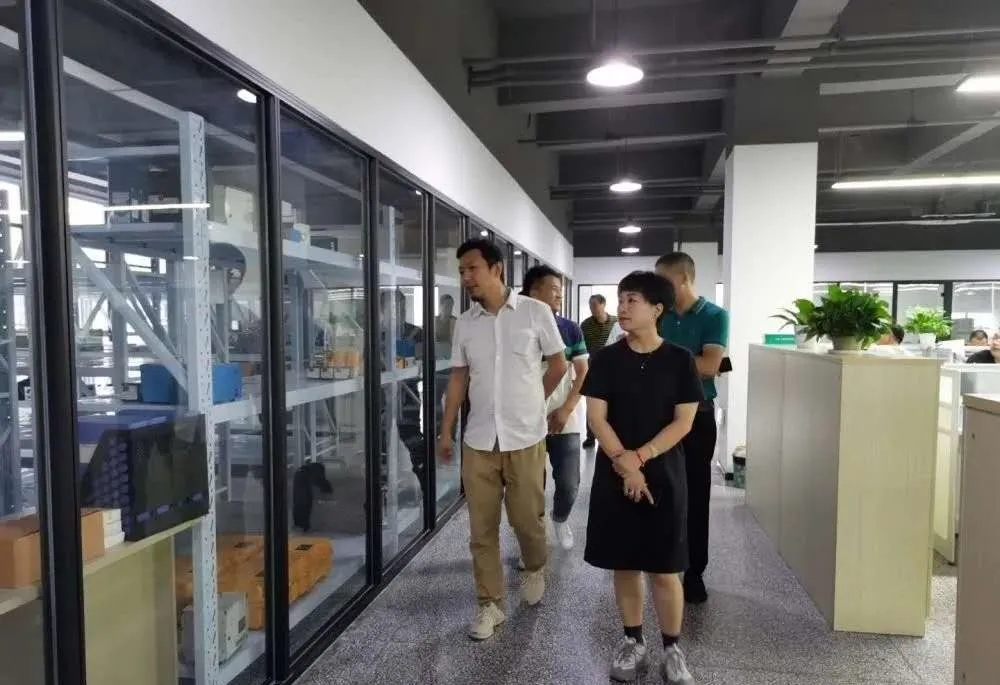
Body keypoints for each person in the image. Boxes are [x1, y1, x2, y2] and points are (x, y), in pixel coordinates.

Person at [438, 238, 568, 641]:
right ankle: (490, 604)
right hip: (479, 440)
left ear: (497, 269)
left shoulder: (534, 312)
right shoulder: (465, 323)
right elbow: (458, 378)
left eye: (472, 269)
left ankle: (534, 567)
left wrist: (534, 403)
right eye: (462, 271)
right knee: (481, 529)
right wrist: (446, 430)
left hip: (525, 437)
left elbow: (559, 365)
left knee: (527, 520)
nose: (466, 277)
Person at [583, 270, 701, 685]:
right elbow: (596, 418)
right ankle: (633, 641)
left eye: (632, 300)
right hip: (614, 471)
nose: (622, 307)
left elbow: (683, 421)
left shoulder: (680, 360)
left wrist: (641, 457)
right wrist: (624, 462)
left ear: (657, 309)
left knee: (665, 567)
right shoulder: (606, 359)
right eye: (620, 299)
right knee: (625, 562)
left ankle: (672, 648)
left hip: (664, 471)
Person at [654, 252, 728, 605]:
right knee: (659, 492)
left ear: (683, 279)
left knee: (695, 496)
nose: (658, 287)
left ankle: (694, 571)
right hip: (658, 417)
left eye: (664, 280)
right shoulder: (659, 314)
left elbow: (710, 365)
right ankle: (661, 562)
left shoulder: (714, 315)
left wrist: (661, 359)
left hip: (698, 417)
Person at [523, 265, 589, 550]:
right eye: (554, 289)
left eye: (561, 291)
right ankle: (534, 540)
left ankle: (560, 519)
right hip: (526, 420)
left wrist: (566, 409)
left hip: (564, 417)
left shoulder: (570, 329)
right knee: (529, 487)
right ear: (533, 291)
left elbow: (583, 372)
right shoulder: (517, 327)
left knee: (569, 484)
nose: (560, 295)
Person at [379, 289, 426, 505]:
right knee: (380, 447)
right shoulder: (376, 336)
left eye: (397, 306)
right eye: (388, 306)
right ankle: (380, 499)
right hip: (381, 400)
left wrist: (407, 368)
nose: (393, 311)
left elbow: (422, 364)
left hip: (408, 398)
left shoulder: (416, 333)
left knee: (414, 441)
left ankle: (427, 489)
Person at [580, 294, 617, 448]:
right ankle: (590, 437)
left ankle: (610, 436)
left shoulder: (616, 322)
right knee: (592, 404)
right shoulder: (585, 325)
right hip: (593, 369)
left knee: (612, 404)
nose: (592, 309)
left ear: (603, 304)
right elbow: (582, 347)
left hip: (613, 370)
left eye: (594, 305)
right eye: (590, 306)